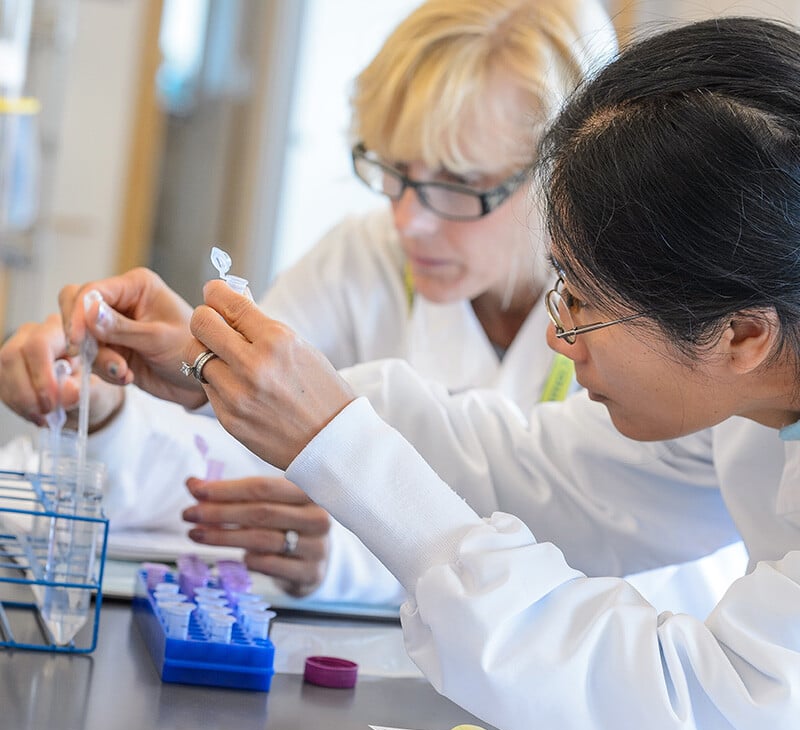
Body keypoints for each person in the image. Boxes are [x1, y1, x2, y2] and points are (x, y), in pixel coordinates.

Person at [73, 15, 797, 730]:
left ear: (742, 336)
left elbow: (722, 729)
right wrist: (240, 377)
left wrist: (341, 445)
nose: (560, 334)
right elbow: (546, 473)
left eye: (584, 302)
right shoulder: (747, 399)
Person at [9, 0, 737, 608]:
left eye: (458, 182)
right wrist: (105, 408)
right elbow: (231, 467)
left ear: (571, 172)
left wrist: (354, 550)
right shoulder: (366, 258)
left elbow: (618, 570)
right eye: (393, 170)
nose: (407, 222)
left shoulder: (665, 326)